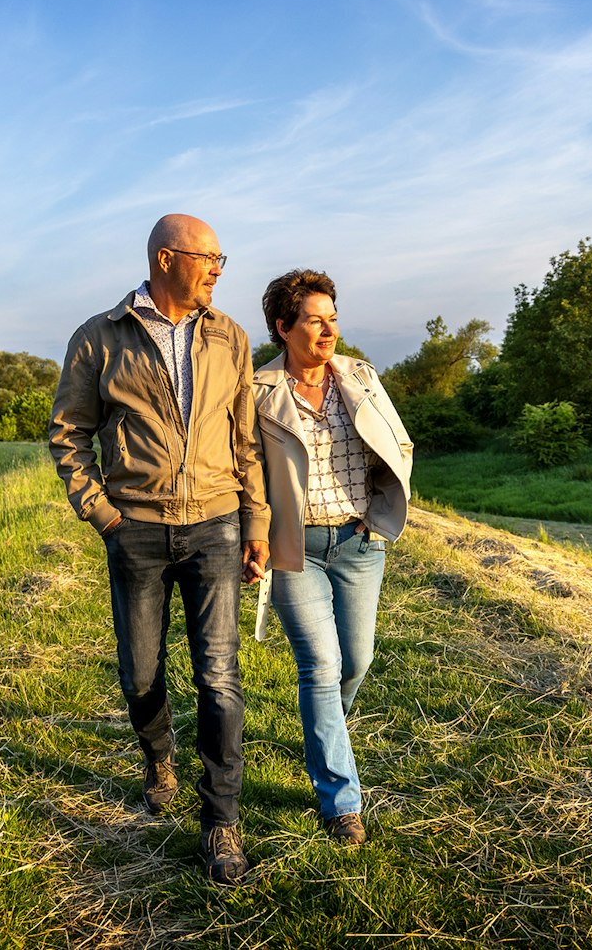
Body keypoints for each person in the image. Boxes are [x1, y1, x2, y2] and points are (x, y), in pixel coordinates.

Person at [49, 214, 270, 885]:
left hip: (216, 524)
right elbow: (68, 433)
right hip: (136, 529)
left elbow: (245, 438)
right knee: (142, 673)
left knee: (219, 676)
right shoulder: (100, 336)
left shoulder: (229, 335)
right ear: (168, 258)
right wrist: (103, 512)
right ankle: (159, 759)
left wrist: (256, 523)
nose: (219, 268)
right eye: (210, 257)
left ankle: (221, 822)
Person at [251, 269, 413, 845]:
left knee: (357, 662)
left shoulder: (361, 377)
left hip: (359, 543)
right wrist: (256, 534)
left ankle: (325, 732)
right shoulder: (258, 392)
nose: (328, 330)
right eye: (314, 320)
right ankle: (341, 801)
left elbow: (396, 441)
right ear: (283, 327)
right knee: (319, 667)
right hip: (296, 549)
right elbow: (247, 472)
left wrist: (380, 512)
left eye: (333, 318)